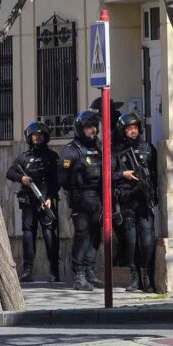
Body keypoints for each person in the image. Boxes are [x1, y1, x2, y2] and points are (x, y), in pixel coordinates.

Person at [7, 122, 60, 283]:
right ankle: (28, 270)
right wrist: (22, 178)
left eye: (40, 135)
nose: (37, 138)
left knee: (49, 234)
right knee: (28, 234)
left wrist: (50, 197)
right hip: (29, 201)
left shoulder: (52, 157)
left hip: (46, 201)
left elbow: (57, 179)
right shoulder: (24, 157)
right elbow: (10, 172)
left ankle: (54, 270)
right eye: (34, 136)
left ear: (46, 137)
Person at [112, 112, 157, 293]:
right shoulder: (115, 150)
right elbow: (106, 174)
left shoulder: (147, 148)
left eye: (135, 128)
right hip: (126, 201)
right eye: (129, 129)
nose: (133, 131)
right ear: (123, 131)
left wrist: (154, 193)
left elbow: (155, 173)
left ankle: (147, 275)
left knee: (147, 240)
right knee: (130, 242)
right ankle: (134, 276)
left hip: (144, 201)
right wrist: (122, 174)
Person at [58, 111, 104, 291]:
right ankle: (79, 275)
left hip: (97, 198)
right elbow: (62, 177)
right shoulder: (71, 150)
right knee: (82, 235)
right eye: (88, 128)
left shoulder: (99, 147)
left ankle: (90, 271)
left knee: (95, 235)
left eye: (94, 127)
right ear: (80, 129)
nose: (92, 130)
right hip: (81, 199)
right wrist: (74, 191)